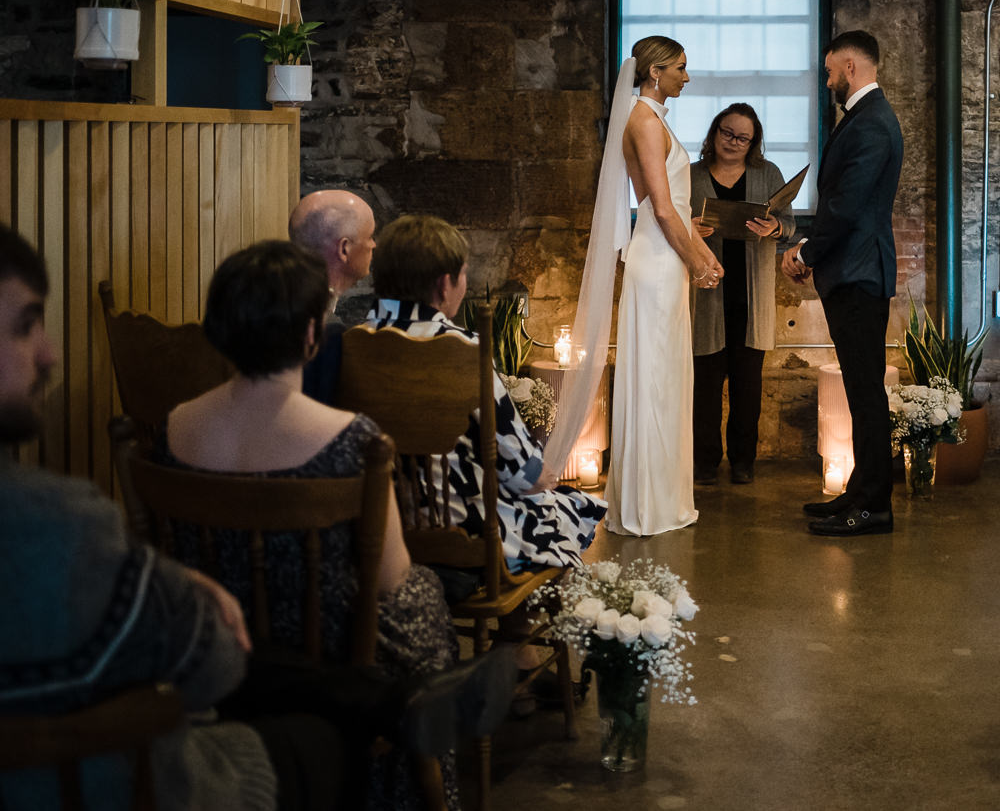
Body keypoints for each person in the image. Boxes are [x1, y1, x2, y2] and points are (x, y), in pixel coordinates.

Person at [0, 225, 313, 811]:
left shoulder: (171, 427)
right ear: (309, 333)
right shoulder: (61, 522)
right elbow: (212, 669)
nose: (50, 352)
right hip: (110, 780)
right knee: (314, 736)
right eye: (24, 325)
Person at [160, 240, 466, 811]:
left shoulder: (175, 426)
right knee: (419, 597)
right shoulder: (355, 439)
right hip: (328, 646)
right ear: (309, 336)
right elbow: (388, 578)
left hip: (219, 640)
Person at [545, 36, 723, 537]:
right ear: (654, 72)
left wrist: (702, 254)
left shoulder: (656, 119)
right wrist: (695, 264)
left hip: (667, 256)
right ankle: (647, 503)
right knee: (654, 378)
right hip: (658, 261)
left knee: (667, 377)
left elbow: (676, 209)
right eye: (681, 69)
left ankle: (665, 495)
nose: (686, 77)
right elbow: (661, 209)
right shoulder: (644, 121)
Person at [366, 214, 606, 567]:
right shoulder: (461, 349)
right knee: (574, 505)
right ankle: (531, 614)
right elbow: (520, 470)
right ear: (445, 284)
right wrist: (545, 476)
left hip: (380, 520)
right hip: (460, 524)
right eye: (463, 274)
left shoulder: (354, 342)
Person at [785, 30, 904, 538]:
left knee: (866, 393)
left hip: (859, 272)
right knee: (860, 391)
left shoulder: (873, 123)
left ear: (851, 66)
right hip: (852, 271)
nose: (828, 78)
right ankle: (858, 493)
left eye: (831, 69)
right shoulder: (863, 118)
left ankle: (874, 506)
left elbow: (848, 205)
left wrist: (807, 251)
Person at [689, 103, 795, 486]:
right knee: (705, 385)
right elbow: (668, 222)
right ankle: (704, 462)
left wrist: (774, 229)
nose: (733, 142)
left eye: (742, 137)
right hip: (705, 295)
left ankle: (742, 461)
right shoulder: (691, 174)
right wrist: (689, 228)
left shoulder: (768, 174)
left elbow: (789, 224)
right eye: (726, 133)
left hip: (752, 295)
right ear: (714, 133)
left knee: (748, 386)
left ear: (754, 143)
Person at [289, 189, 378, 404]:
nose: (374, 244)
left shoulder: (283, 301)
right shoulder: (323, 329)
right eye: (370, 236)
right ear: (344, 249)